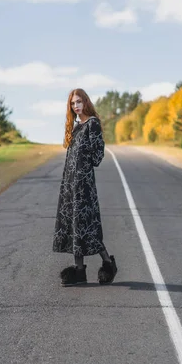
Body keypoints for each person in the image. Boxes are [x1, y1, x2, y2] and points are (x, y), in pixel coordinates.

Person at [53, 88, 118, 286]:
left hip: (85, 186)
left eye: (79, 102)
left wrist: (85, 154)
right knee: (74, 227)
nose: (76, 106)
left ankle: (108, 263)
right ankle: (79, 270)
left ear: (86, 102)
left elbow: (98, 156)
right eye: (73, 103)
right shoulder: (75, 127)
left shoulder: (92, 124)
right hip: (70, 185)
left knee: (88, 227)